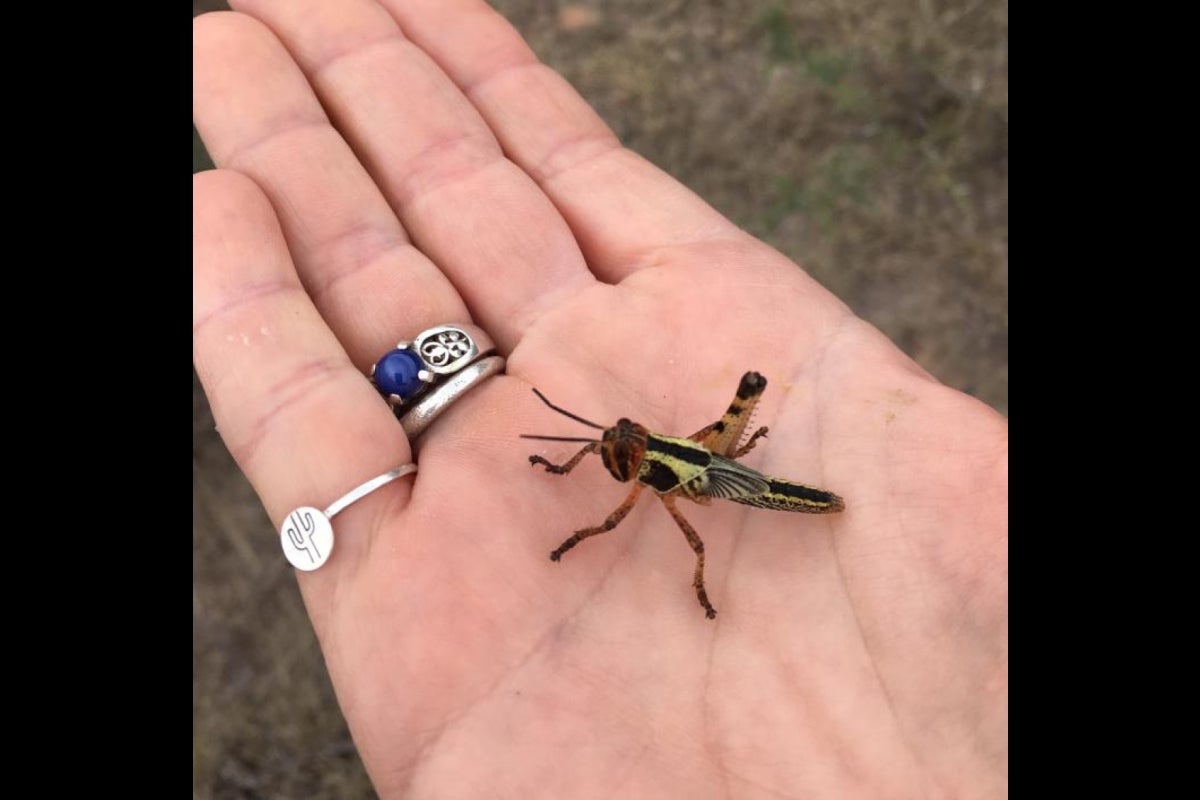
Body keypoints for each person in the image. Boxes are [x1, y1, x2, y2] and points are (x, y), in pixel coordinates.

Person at [193, 2, 1007, 797]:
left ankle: (752, 467)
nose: (616, 449)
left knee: (718, 486)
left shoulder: (655, 485)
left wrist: (697, 553)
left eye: (620, 449)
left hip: (740, 486)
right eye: (618, 448)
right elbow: (622, 447)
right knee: (701, 460)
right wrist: (571, 455)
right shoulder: (636, 454)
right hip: (704, 467)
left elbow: (664, 520)